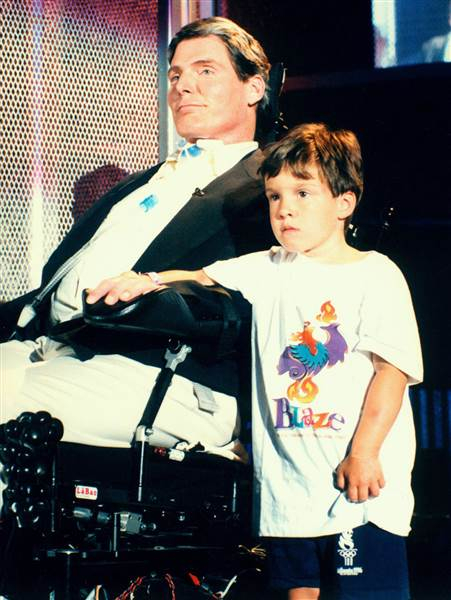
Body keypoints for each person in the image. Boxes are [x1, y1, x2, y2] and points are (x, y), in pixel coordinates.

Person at [127, 123, 423, 600]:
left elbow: (392, 373)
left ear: (344, 202)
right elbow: (198, 278)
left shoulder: (376, 274)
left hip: (357, 491)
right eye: (274, 196)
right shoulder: (267, 267)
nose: (285, 208)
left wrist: (365, 453)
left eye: (303, 193)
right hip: (288, 496)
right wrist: (144, 280)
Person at [0, 17, 275, 456]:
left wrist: (159, 293)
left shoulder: (272, 188)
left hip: (167, 371)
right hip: (53, 347)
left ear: (254, 88)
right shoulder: (143, 183)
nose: (183, 86)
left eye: (205, 70)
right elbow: (53, 289)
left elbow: (270, 299)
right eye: (176, 75)